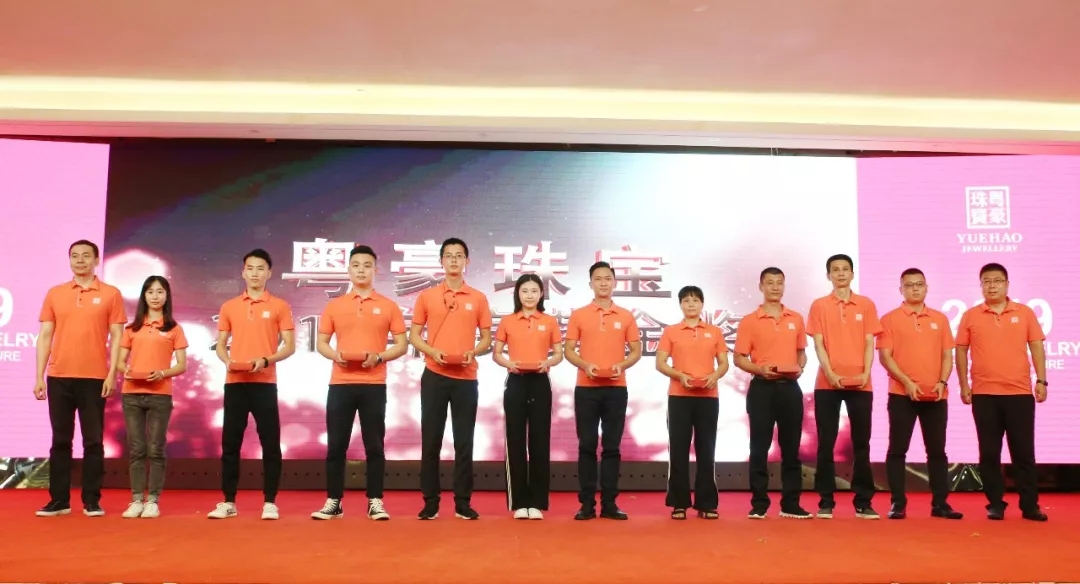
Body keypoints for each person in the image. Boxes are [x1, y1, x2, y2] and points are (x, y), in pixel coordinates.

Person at [311, 245, 408, 521]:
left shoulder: (388, 306)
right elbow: (322, 343)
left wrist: (379, 356)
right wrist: (335, 355)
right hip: (340, 383)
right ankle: (334, 501)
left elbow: (401, 344)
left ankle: (375, 500)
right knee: (336, 445)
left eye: (367, 265)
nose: (361, 270)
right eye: (356, 265)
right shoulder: (335, 306)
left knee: (374, 445)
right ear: (349, 270)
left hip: (374, 384)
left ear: (375, 270)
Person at [34, 240, 127, 517]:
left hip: (94, 378)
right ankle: (59, 501)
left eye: (86, 256)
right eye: (75, 256)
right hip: (59, 376)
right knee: (60, 441)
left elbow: (118, 337)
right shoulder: (55, 293)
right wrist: (39, 376)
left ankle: (92, 500)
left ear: (96, 260)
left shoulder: (111, 294)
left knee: (93, 441)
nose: (80, 260)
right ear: (69, 260)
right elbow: (46, 336)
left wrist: (112, 373)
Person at [208, 249, 296, 520]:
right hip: (235, 382)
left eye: (260, 268)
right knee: (230, 443)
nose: (255, 273)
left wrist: (266, 360)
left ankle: (270, 502)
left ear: (269, 273)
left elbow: (289, 346)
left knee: (270, 442)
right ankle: (228, 501)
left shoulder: (280, 306)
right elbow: (220, 345)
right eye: (250, 268)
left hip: (264, 383)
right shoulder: (230, 306)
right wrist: (227, 361)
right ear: (243, 272)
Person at [956, 263, 1048, 521]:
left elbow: (1037, 347)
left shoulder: (1024, 313)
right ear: (981, 285)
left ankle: (1029, 505)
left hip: (1019, 394)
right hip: (984, 394)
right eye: (986, 281)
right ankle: (995, 503)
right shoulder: (971, 315)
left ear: (1007, 284)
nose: (992, 285)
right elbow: (961, 350)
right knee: (989, 453)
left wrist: (1042, 380)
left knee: (1023, 453)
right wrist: (964, 385)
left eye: (997, 281)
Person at [409, 237, 492, 520]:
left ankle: (462, 502)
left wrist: (473, 352)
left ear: (467, 261)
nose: (454, 260)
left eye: (459, 255)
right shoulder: (427, 296)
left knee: (464, 441)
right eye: (449, 255)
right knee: (431, 439)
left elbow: (487, 338)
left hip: (466, 378)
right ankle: (430, 502)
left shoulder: (478, 298)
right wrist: (433, 351)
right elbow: (414, 336)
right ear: (441, 261)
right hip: (434, 375)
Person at [877, 268, 962, 520]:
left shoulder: (940, 319)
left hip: (935, 396)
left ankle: (940, 504)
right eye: (909, 285)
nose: (915, 288)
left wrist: (942, 382)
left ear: (926, 288)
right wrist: (907, 383)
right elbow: (885, 357)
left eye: (919, 284)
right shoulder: (889, 319)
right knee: (897, 450)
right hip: (901, 395)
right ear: (900, 289)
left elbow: (947, 355)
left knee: (937, 451)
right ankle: (897, 503)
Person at [564, 261, 642, 521]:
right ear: (591, 284)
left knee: (612, 447)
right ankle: (586, 504)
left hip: (616, 389)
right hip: (586, 388)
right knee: (586, 445)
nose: (603, 283)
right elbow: (569, 350)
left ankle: (609, 503)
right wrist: (585, 365)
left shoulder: (626, 316)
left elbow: (636, 351)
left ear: (615, 283)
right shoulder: (579, 315)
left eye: (608, 278)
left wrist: (622, 365)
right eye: (598, 279)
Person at [807, 253, 882, 519]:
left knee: (861, 442)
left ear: (852, 273)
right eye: (835, 270)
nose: (840, 273)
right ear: (828, 275)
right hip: (827, 384)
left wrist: (865, 373)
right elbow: (818, 343)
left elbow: (870, 342)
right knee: (826, 442)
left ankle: (863, 501)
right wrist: (830, 373)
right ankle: (825, 501)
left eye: (845, 269)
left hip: (861, 383)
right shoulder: (819, 305)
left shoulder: (866, 304)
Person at [733, 267, 812, 520]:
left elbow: (801, 352)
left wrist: (800, 366)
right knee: (759, 447)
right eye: (770, 283)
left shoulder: (795, 318)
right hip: (762, 388)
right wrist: (759, 369)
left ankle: (791, 504)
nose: (775, 287)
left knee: (791, 449)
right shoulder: (750, 321)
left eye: (779, 283)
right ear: (761, 287)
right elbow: (738, 358)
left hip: (790, 388)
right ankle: (759, 503)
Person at [492, 274, 564, 520]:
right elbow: (497, 353)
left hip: (540, 382)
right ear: (518, 294)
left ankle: (537, 502)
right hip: (516, 381)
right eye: (525, 291)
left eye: (534, 291)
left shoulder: (549, 321)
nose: (530, 295)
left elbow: (558, 353)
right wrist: (509, 364)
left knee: (540, 440)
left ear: (541, 294)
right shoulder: (508, 321)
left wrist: (548, 363)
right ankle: (519, 502)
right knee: (515, 439)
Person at [117, 276, 189, 519]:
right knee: (137, 449)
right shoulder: (131, 328)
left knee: (156, 449)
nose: (155, 296)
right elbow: (120, 361)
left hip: (160, 395)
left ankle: (153, 501)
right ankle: (136, 499)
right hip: (131, 394)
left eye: (160, 291)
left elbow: (181, 365)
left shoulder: (174, 329)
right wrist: (125, 370)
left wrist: (162, 373)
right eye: (150, 292)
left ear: (167, 296)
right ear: (144, 296)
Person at [655, 285, 729, 520]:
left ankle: (706, 503)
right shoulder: (671, 331)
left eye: (695, 300)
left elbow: (724, 363)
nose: (691, 304)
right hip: (679, 396)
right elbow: (660, 363)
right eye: (686, 300)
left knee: (706, 449)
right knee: (678, 449)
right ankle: (679, 503)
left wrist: (714, 376)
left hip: (708, 397)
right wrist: (680, 376)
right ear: (680, 305)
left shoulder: (714, 332)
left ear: (702, 304)